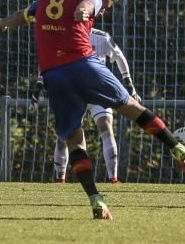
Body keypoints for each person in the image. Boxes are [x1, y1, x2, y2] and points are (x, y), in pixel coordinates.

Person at [0, 0, 185, 219]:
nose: (103, 12)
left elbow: (22, 16)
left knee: (75, 139)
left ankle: (96, 200)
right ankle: (178, 149)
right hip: (83, 64)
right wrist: (85, 12)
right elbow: (88, 4)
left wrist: (1, 23)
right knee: (130, 106)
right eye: (107, 7)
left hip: (54, 74)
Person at [31, 28, 141, 184]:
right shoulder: (64, 34)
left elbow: (119, 57)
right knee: (65, 135)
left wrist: (129, 85)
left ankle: (113, 178)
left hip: (97, 91)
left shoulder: (101, 37)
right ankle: (59, 179)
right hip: (74, 93)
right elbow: (49, 58)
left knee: (106, 126)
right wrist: (39, 83)